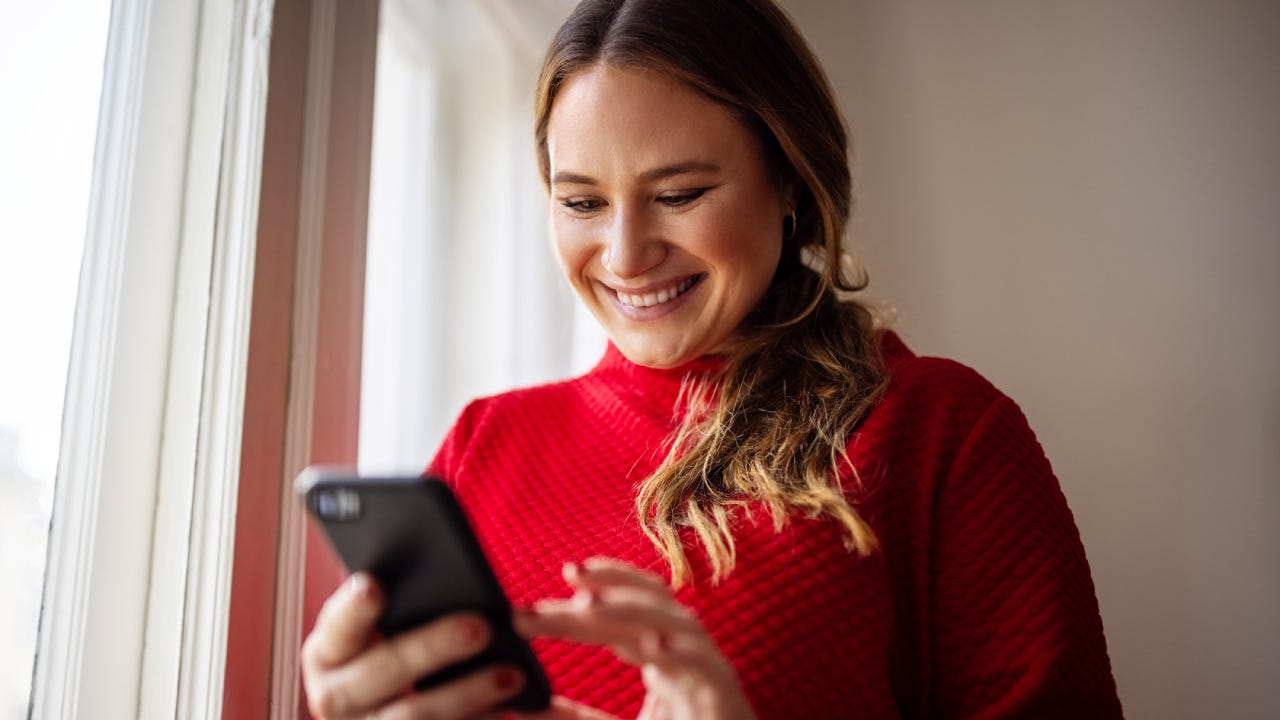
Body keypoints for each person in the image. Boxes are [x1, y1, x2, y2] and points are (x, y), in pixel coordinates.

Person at [300, 0, 1125, 717]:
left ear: (790, 181)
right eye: (582, 201)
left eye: (679, 194)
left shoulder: (943, 432)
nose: (624, 255)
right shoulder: (488, 441)